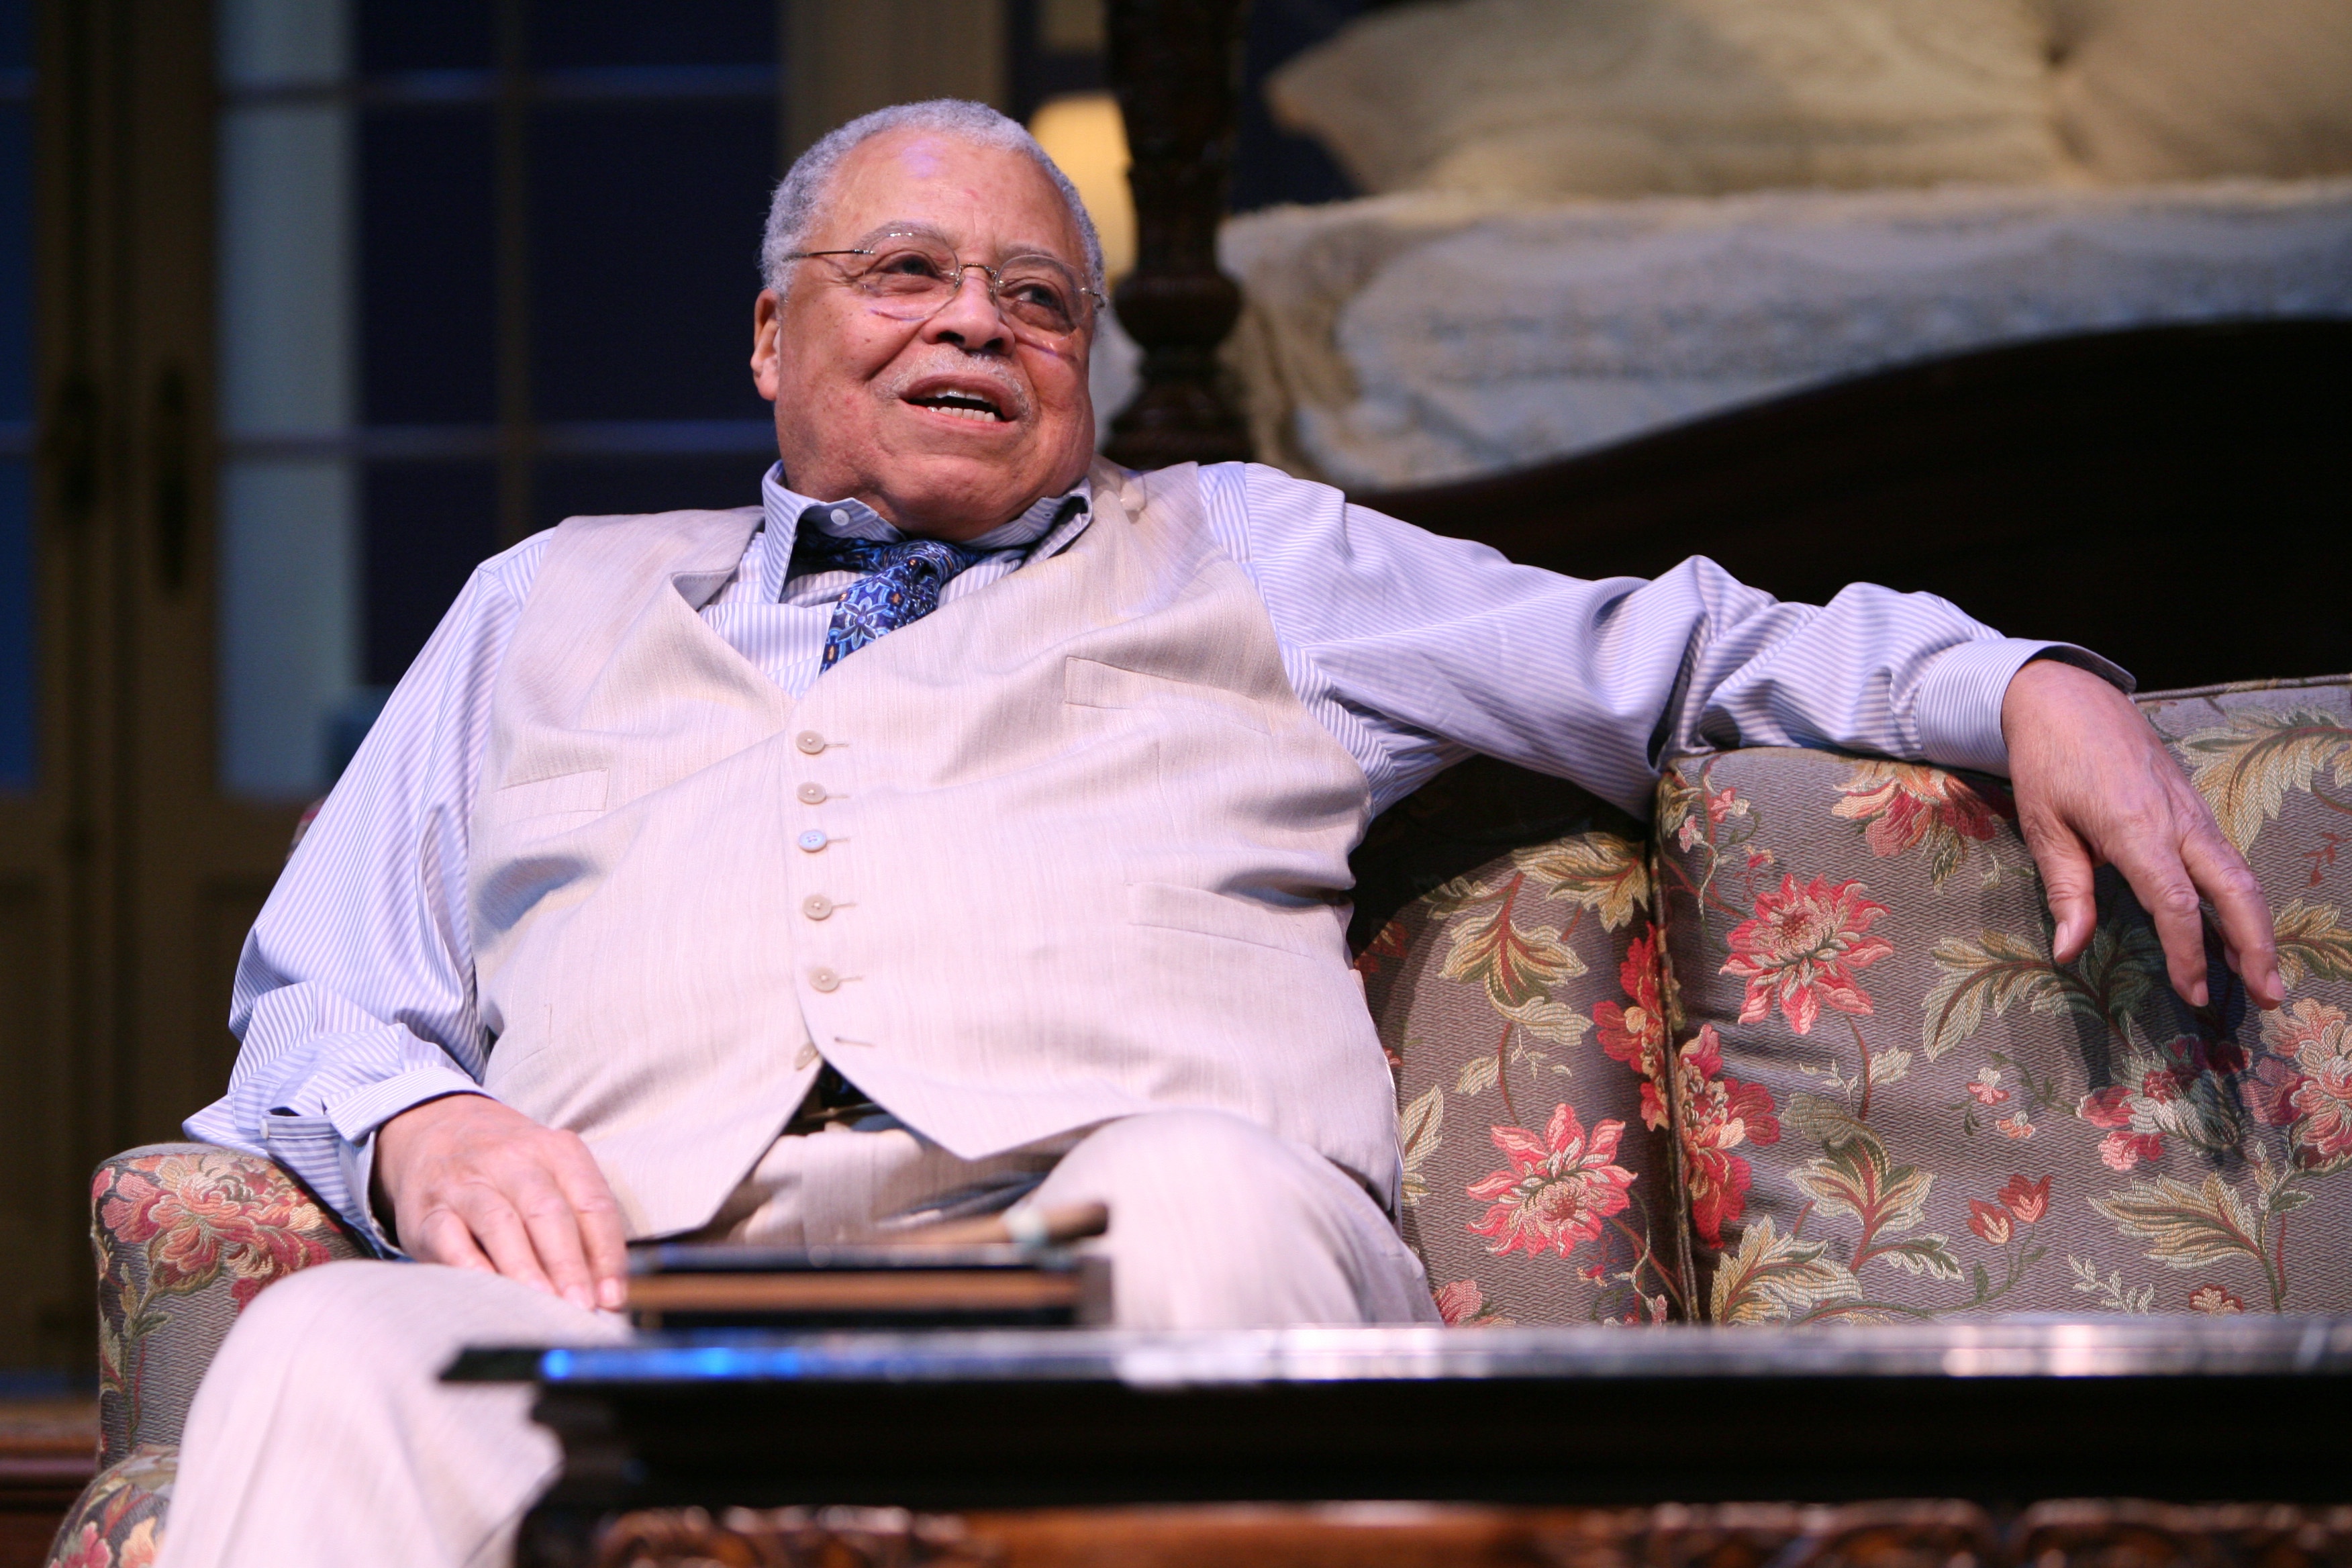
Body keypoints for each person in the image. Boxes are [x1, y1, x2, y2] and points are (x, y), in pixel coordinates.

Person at [153, 100, 2280, 1568]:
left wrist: (2019, 686)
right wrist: (421, 1128)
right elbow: (320, 992)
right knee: (332, 1343)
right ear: (770, 335)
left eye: (1038, 298)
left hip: (1105, 1252)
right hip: (644, 1285)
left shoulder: (1257, 555)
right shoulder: (542, 598)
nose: (976, 321)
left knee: (1196, 1198)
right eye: (904, 274)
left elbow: (1670, 648)